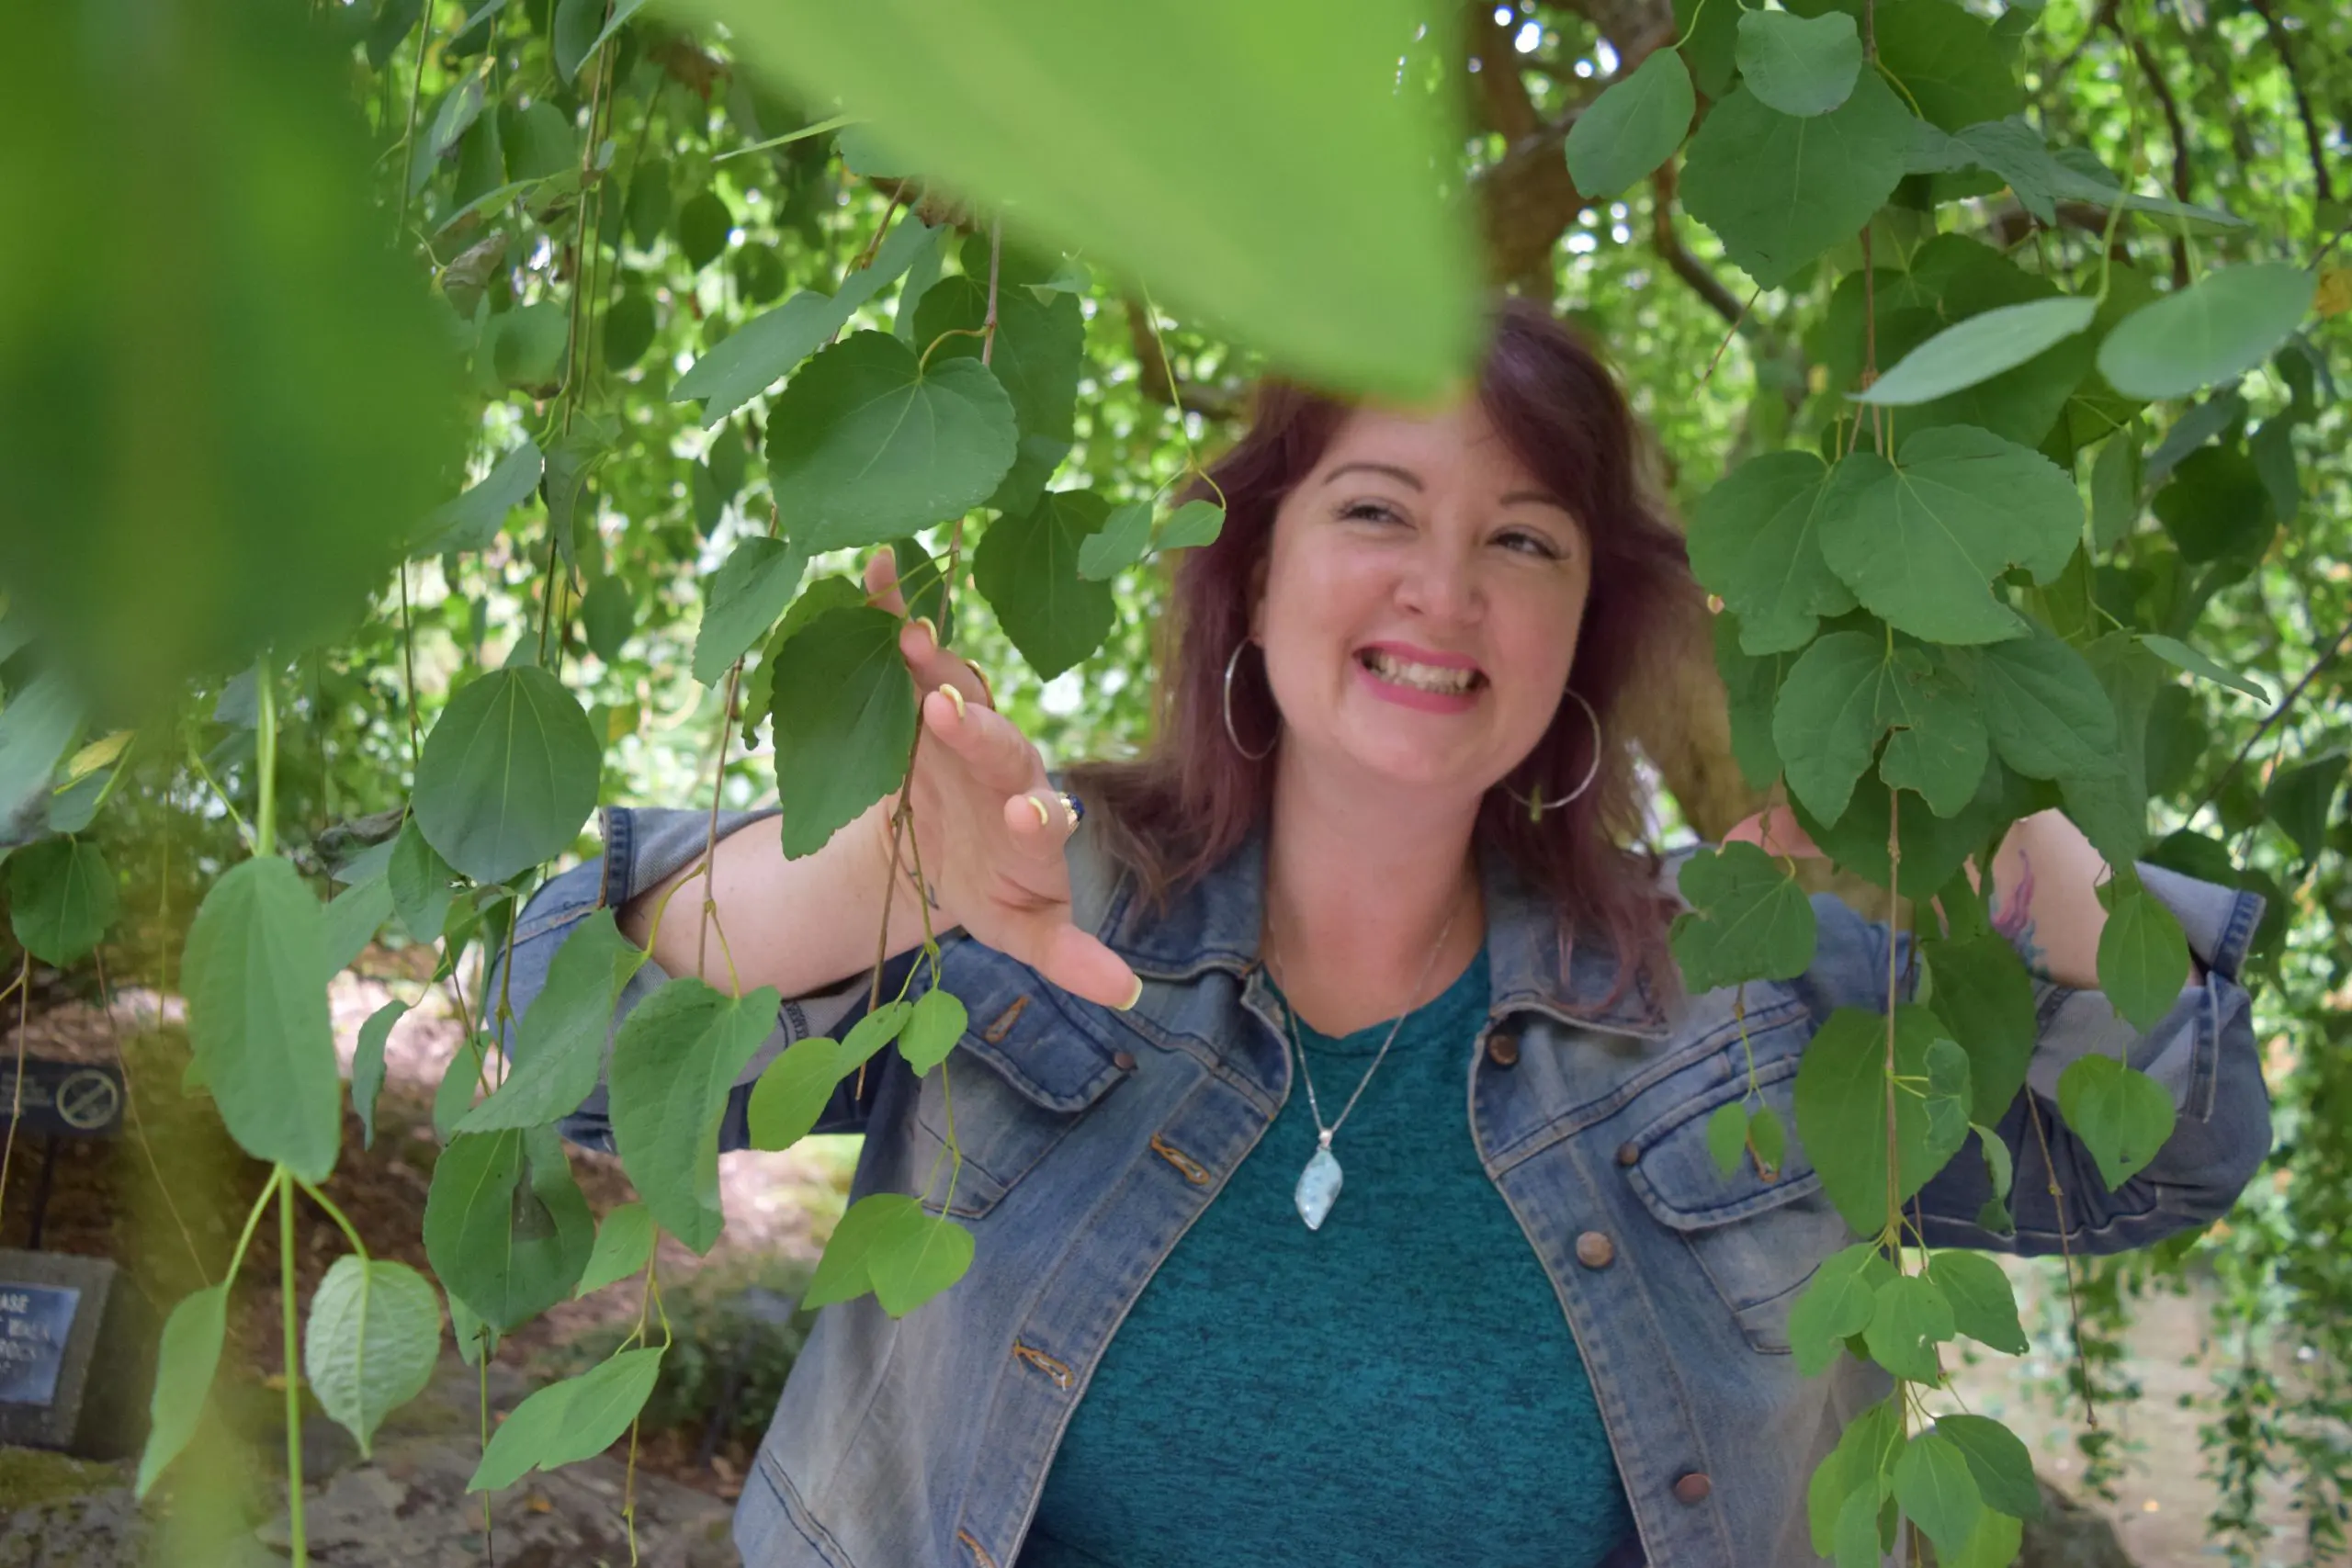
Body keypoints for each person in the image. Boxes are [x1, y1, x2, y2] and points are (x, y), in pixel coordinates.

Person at [492, 299, 2273, 1568]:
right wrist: (876, 861)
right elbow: (563, 1044)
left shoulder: (1724, 1001)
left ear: (1588, 635)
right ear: (1247, 577)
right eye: (1372, 512)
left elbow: (2154, 1149)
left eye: (1524, 538)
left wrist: (1967, 801)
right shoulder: (1029, 900)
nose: (1445, 587)